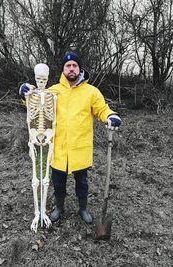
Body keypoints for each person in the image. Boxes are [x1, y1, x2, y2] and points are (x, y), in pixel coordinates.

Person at [20, 51, 121, 224]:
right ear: (63, 70)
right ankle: (59, 207)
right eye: (68, 66)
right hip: (58, 148)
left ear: (80, 69)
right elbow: (36, 104)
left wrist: (111, 116)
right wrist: (25, 96)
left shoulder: (91, 92)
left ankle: (83, 208)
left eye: (75, 65)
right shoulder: (53, 91)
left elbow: (102, 109)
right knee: (58, 183)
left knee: (82, 183)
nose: (71, 68)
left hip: (80, 148)